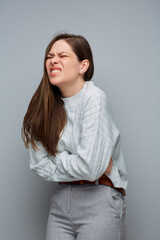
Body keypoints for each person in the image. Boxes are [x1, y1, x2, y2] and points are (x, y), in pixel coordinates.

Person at [21, 32, 128, 240]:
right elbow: (38, 165)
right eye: (49, 56)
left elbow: (89, 168)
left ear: (83, 66)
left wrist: (56, 157)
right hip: (61, 202)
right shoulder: (43, 107)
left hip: (100, 200)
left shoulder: (94, 99)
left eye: (63, 55)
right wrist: (81, 162)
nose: (53, 60)